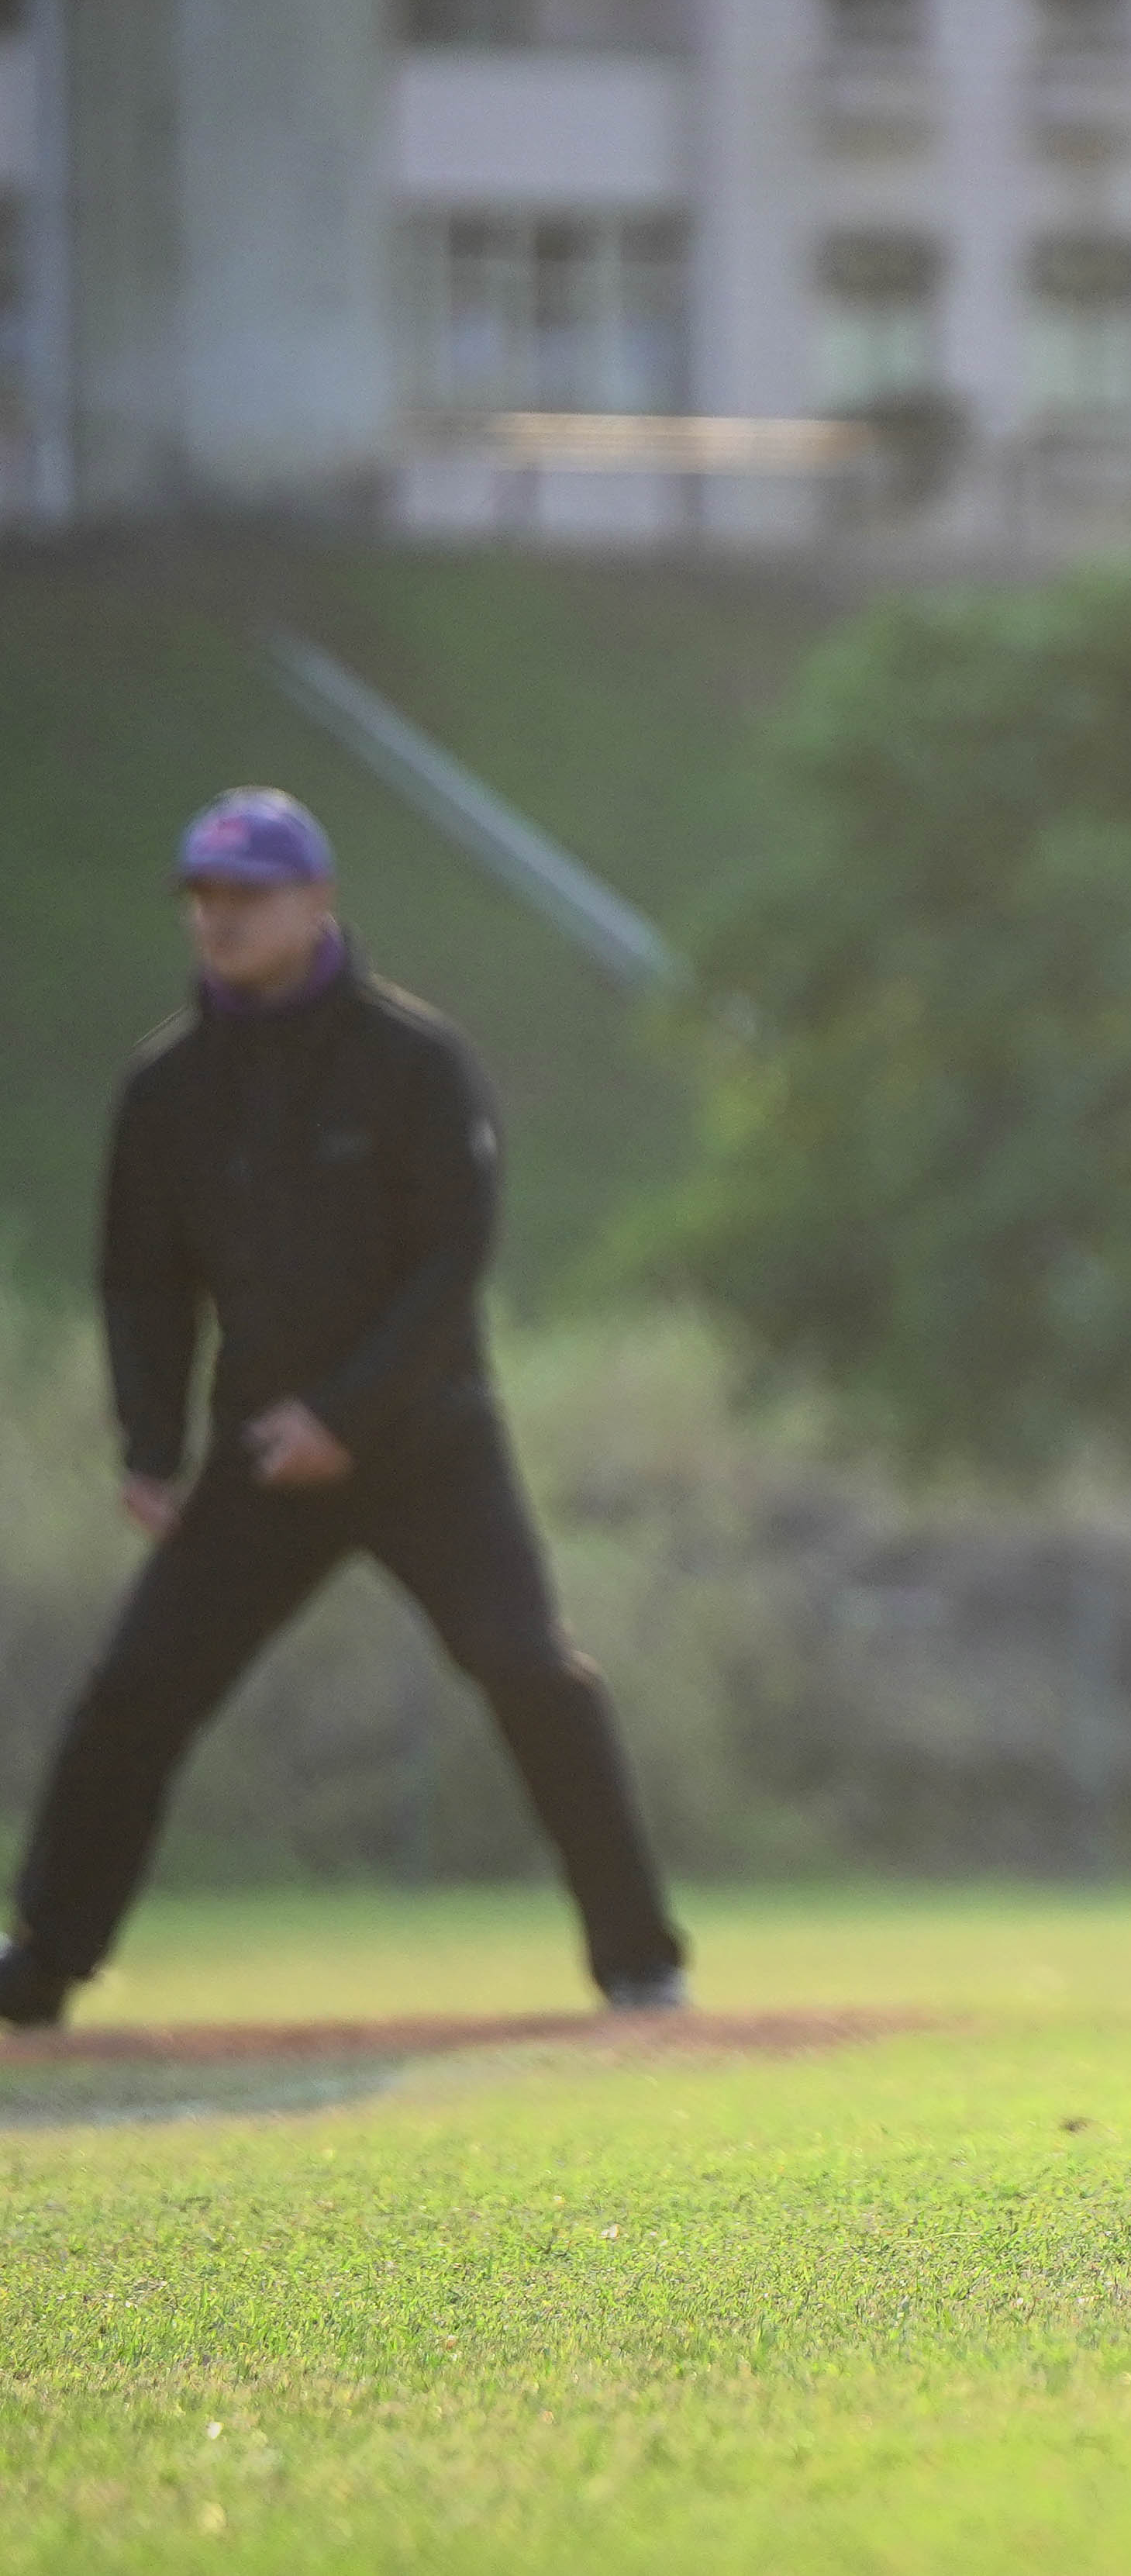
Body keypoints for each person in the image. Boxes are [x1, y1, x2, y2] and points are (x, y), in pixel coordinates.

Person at [0, 791, 691, 2033]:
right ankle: (42, 1961)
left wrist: (346, 1414)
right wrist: (151, 1445)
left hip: (428, 1441)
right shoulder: (169, 1088)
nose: (219, 918)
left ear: (316, 900)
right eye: (202, 897)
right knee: (136, 1688)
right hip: (264, 1453)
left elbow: (452, 1259)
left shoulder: (413, 1062)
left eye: (247, 894)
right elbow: (142, 1279)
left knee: (527, 1665)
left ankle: (640, 1959)